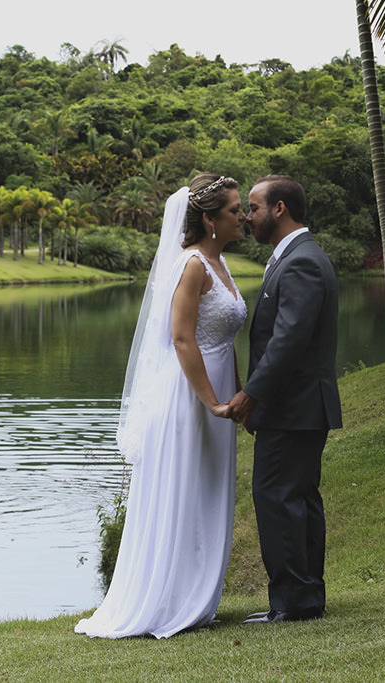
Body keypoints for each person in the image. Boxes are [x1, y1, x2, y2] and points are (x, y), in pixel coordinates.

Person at [75, 173, 247, 639]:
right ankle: (168, 600)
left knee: (208, 489)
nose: (243, 216)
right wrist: (211, 402)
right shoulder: (191, 265)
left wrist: (238, 393)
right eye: (234, 210)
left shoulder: (221, 264)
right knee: (183, 488)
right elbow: (181, 338)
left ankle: (197, 597)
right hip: (189, 396)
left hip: (219, 392)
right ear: (210, 219)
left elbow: (224, 340)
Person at [227, 175, 342, 624]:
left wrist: (251, 394)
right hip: (298, 407)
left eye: (252, 207)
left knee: (278, 499)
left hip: (295, 407)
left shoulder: (301, 262)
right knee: (297, 500)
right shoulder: (295, 257)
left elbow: (289, 339)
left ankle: (293, 604)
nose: (246, 216)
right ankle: (305, 597)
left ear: (279, 209)